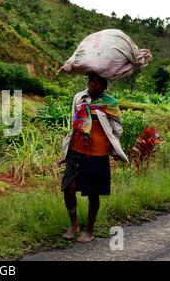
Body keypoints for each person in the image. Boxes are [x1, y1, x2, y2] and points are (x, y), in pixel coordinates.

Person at [60, 72, 129, 243]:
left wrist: (112, 147)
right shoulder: (79, 97)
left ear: (104, 86)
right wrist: (66, 150)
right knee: (68, 187)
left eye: (98, 83)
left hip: (98, 154)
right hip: (76, 150)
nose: (93, 85)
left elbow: (117, 128)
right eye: (91, 81)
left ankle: (89, 231)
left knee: (93, 193)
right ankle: (74, 224)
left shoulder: (110, 103)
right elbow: (74, 122)